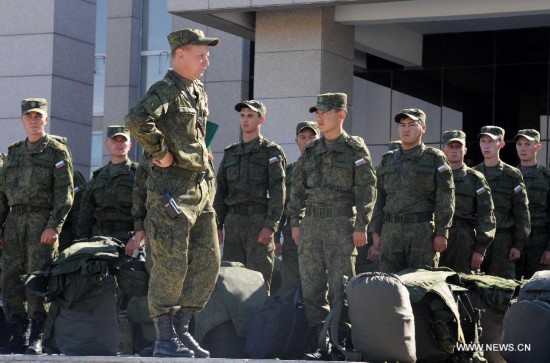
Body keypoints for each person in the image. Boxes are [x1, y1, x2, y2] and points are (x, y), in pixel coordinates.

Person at [125, 28, 221, 358]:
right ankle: (165, 338)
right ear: (180, 55)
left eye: (207, 55)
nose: (206, 60)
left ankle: (182, 327)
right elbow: (137, 119)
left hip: (200, 189)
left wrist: (201, 153)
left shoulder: (197, 91)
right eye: (200, 54)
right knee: (171, 265)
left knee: (209, 260)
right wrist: (160, 151)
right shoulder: (166, 89)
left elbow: (193, 134)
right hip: (171, 192)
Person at [288, 93, 377, 359]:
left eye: (324, 112)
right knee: (313, 285)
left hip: (341, 223)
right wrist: (296, 222)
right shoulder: (312, 150)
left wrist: (361, 225)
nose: (319, 117)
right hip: (312, 223)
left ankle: (340, 340)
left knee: (340, 285)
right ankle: (320, 341)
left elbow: (366, 188)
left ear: (340, 114)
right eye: (317, 112)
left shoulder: (354, 148)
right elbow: (297, 188)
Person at [0, 98, 74, 355]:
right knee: (10, 280)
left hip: (41, 224)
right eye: (29, 116)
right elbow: (2, 194)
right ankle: (18, 333)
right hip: (14, 224)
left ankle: (37, 335)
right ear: (22, 120)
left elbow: (64, 194)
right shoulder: (14, 152)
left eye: (38, 116)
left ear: (46, 119)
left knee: (37, 278)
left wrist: (54, 226)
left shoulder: (56, 151)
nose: (33, 120)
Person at [367, 108, 454, 273]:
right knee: (390, 284)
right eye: (402, 125)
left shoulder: (434, 158)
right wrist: (375, 231)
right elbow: (378, 198)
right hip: (391, 231)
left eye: (412, 125)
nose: (406, 129)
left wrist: (442, 232)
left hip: (421, 232)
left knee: (421, 285)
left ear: (423, 128)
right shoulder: (388, 160)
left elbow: (445, 198)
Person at [214, 100, 286, 291]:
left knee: (259, 279)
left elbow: (279, 190)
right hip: (233, 220)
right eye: (242, 115)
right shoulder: (231, 153)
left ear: (261, 119)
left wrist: (270, 225)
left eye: (250, 115)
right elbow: (221, 190)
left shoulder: (270, 151)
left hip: (258, 221)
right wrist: (218, 224)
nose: (245, 120)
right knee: (232, 279)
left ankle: (261, 321)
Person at [473, 126, 530, 278]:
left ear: (501, 144)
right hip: (477, 240)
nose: (486, 145)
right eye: (483, 141)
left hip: (503, 242)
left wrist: (518, 245)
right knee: (473, 288)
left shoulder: (512, 175)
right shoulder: (473, 174)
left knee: (502, 290)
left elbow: (522, 212)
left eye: (491, 141)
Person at [439, 130, 496, 273]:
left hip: (464, 241)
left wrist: (480, 249)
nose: (454, 151)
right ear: (443, 149)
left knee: (463, 285)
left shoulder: (475, 178)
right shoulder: (435, 176)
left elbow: (486, 215)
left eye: (458, 147)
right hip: (436, 238)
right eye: (450, 147)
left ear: (465, 150)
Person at [274, 121, 320, 293]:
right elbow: (282, 205)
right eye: (303, 137)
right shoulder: (290, 171)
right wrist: (276, 237)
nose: (307, 141)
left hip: (320, 233)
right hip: (293, 237)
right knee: (290, 285)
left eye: (312, 137)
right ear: (297, 141)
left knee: (316, 286)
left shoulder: (327, 168)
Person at [77, 125, 137, 244]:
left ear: (130, 145)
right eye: (115, 140)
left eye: (123, 140)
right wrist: (82, 241)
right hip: (98, 240)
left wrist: (137, 239)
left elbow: (148, 210)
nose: (119, 144)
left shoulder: (138, 175)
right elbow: (86, 212)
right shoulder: (98, 176)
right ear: (106, 144)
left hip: (127, 241)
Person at [514, 129, 550, 278]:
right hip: (514, 243)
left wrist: (549, 248)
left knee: (539, 292)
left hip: (540, 243)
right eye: (519, 144)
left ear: (538, 147)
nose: (522, 148)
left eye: (527, 144)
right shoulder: (510, 175)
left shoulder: (546, 176)